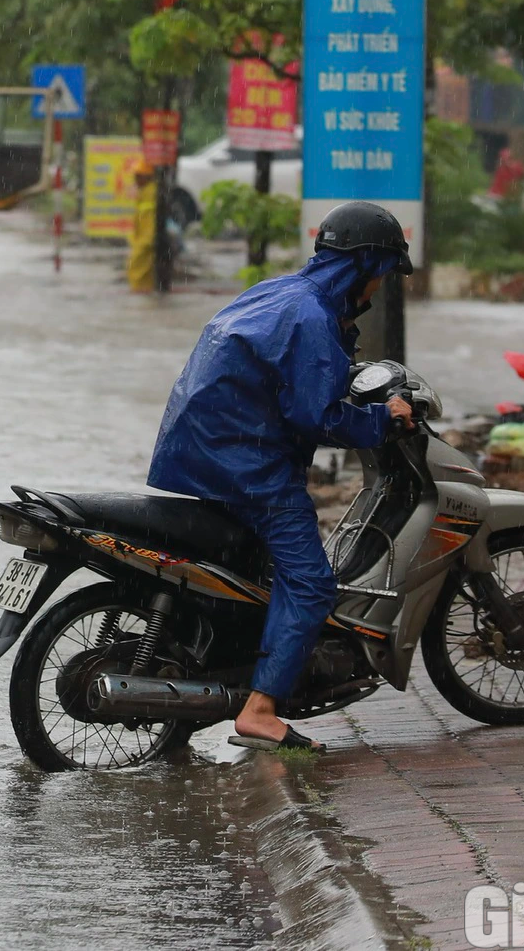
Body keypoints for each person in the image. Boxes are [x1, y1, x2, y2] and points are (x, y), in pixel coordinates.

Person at [146, 200, 414, 754]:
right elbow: (316, 416)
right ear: (362, 267)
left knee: (258, 566)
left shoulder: (280, 293)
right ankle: (261, 709)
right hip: (248, 464)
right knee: (312, 583)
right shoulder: (314, 319)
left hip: (200, 451)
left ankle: (235, 667)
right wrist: (381, 418)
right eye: (380, 276)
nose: (378, 289)